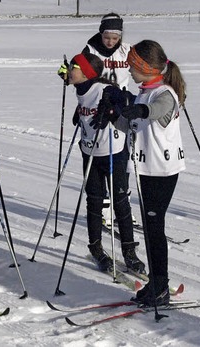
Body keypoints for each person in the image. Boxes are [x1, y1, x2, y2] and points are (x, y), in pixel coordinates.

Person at [109, 40, 186, 306]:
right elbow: (128, 123)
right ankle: (156, 283)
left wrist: (140, 109)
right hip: (145, 169)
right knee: (151, 229)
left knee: (155, 229)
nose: (129, 70)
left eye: (133, 66)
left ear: (146, 66)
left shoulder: (164, 93)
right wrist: (110, 112)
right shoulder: (143, 92)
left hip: (162, 172)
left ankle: (161, 286)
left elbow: (157, 111)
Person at [66, 52, 144, 274]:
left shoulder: (104, 89)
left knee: (120, 200)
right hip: (89, 152)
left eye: (74, 67)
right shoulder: (80, 90)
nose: (70, 70)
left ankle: (129, 251)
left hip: (113, 152)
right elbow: (84, 106)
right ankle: (96, 247)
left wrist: (112, 110)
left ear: (88, 72)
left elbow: (126, 99)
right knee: (94, 200)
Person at [58, 12, 135, 229]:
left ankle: (122, 204)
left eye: (115, 37)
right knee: (101, 162)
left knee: (123, 159)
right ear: (101, 33)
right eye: (107, 36)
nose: (111, 41)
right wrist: (65, 73)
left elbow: (141, 65)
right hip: (95, 108)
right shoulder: (90, 49)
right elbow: (74, 72)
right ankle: (104, 211)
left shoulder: (126, 50)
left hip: (119, 107)